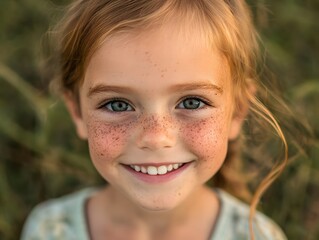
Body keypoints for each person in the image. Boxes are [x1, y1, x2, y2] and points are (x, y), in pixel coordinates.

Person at [21, 0, 290, 239]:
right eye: (117, 104)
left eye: (191, 102)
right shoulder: (50, 230)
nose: (156, 137)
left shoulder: (257, 236)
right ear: (77, 112)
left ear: (237, 110)